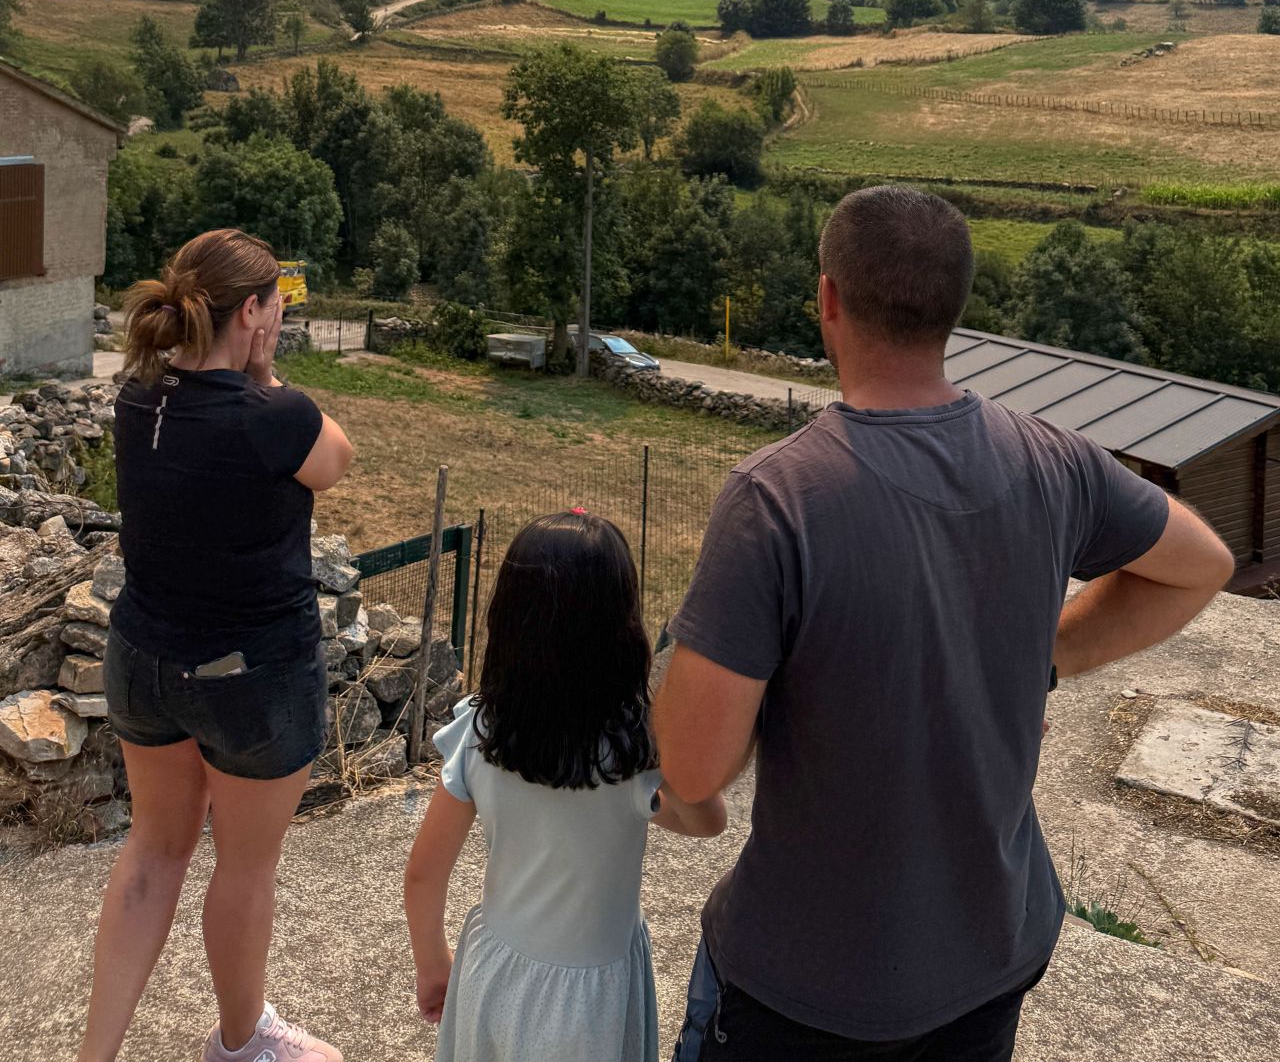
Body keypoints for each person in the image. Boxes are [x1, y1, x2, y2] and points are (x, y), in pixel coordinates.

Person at [655, 184, 1234, 1061]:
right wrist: (1047, 657)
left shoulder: (776, 500)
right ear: (954, 307)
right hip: (992, 955)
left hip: (811, 986)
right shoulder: (1054, 459)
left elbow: (692, 769)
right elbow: (1202, 564)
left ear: (829, 299)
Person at [77, 228, 354, 1062]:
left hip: (143, 660)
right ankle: (241, 1043)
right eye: (277, 304)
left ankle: (94, 1055)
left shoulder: (137, 397)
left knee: (153, 852)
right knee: (243, 868)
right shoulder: (275, 415)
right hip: (252, 678)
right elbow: (335, 461)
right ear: (254, 315)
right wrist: (266, 376)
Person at [404, 511, 727, 1061]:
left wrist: (433, 964)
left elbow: (423, 875)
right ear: (622, 630)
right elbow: (709, 821)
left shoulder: (481, 730)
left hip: (492, 975)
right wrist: (672, 751)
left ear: (509, 620)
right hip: (593, 1005)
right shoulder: (635, 749)